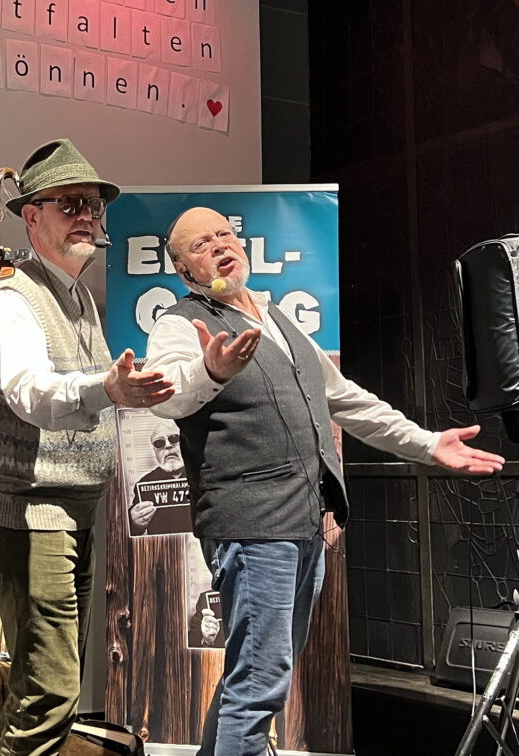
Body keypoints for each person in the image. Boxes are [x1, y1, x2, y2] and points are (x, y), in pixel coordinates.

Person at [145, 206, 504, 756]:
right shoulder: (179, 322)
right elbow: (168, 394)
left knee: (254, 676)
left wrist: (428, 443)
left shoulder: (279, 319)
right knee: (261, 682)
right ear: (183, 269)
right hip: (250, 524)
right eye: (200, 245)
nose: (219, 246)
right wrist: (210, 371)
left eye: (224, 235)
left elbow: (347, 400)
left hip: (302, 520)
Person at [0, 138, 174, 755]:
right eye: (70, 204)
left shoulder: (78, 296)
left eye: (94, 205)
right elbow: (30, 393)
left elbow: (95, 394)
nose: (87, 215)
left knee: (47, 690)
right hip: (29, 521)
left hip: (67, 517)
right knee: (49, 695)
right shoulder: (12, 296)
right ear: (32, 217)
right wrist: (108, 387)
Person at [129, 419, 192, 536]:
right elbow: (131, 531)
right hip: (162, 549)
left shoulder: (202, 475)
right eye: (159, 443)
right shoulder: (144, 484)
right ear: (155, 452)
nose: (168, 446)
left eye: (174, 438)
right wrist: (134, 522)